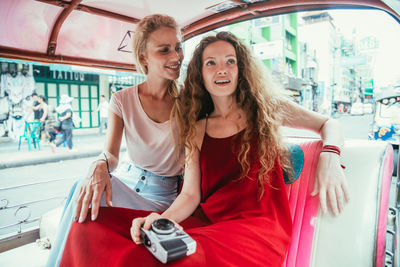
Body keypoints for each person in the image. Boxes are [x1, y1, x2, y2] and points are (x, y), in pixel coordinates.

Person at [59, 32, 349, 266]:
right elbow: (190, 194)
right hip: (207, 222)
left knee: (179, 261)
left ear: (241, 68)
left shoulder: (266, 109)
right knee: (91, 226)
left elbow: (328, 124)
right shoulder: (197, 128)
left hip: (257, 230)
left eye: (230, 61)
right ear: (200, 72)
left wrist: (330, 158)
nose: (221, 69)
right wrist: (162, 219)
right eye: (210, 62)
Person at [46, 14, 184, 266]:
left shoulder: (190, 102)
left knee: (82, 193)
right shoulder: (121, 99)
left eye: (178, 47)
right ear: (144, 57)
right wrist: (99, 165)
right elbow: (110, 155)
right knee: (82, 188)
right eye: (164, 50)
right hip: (128, 181)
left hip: (162, 195)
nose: (176, 57)